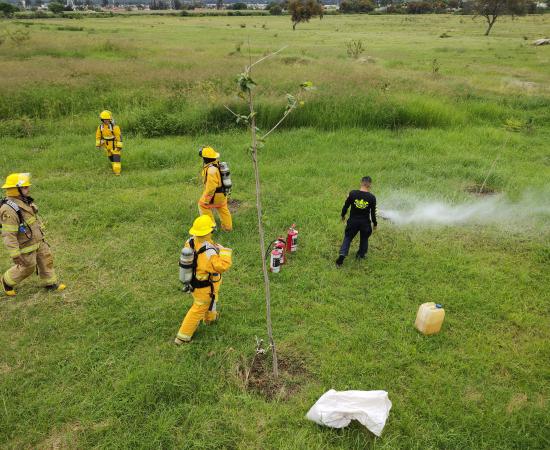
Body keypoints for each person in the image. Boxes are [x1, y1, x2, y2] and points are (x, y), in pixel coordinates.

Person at [1, 173, 66, 296]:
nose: (28, 189)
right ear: (16, 189)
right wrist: (15, 253)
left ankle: (50, 283)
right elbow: (8, 234)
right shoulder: (8, 210)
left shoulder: (24, 200)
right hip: (25, 244)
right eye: (25, 187)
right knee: (27, 266)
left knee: (46, 259)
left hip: (38, 240)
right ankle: (6, 281)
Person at [175, 215, 232, 344]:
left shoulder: (191, 241)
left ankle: (210, 319)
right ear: (209, 231)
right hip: (204, 286)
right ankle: (182, 337)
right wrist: (225, 252)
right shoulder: (209, 253)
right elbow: (221, 267)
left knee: (211, 300)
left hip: (194, 281)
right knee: (198, 309)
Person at [336, 176, 378, 267]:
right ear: (370, 185)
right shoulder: (372, 198)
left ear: (361, 183)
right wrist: (375, 224)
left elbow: (346, 206)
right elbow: (373, 214)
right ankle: (360, 255)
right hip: (365, 223)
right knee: (364, 238)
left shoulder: (352, 193)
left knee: (348, 237)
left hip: (353, 222)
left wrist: (343, 215)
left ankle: (342, 255)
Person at [197, 146, 233, 232]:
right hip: (223, 194)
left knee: (202, 205)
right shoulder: (217, 164)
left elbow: (211, 188)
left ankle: (211, 228)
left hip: (215, 195)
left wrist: (207, 199)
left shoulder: (211, 170)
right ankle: (228, 228)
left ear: (205, 158)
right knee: (223, 207)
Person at [95, 110, 123, 175]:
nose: (106, 121)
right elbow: (98, 136)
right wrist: (98, 145)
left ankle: (117, 173)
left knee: (116, 160)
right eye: (104, 119)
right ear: (102, 120)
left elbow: (119, 137)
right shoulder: (100, 127)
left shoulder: (115, 127)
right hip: (107, 147)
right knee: (111, 159)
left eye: (107, 119)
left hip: (115, 146)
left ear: (110, 119)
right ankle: (114, 169)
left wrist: (119, 146)